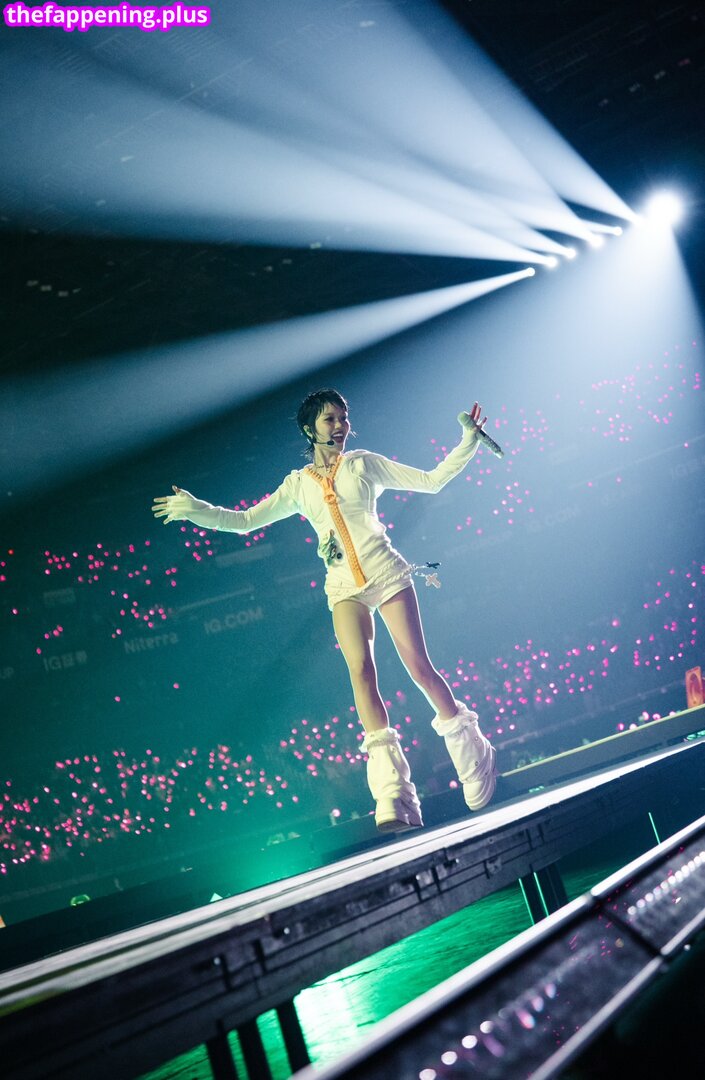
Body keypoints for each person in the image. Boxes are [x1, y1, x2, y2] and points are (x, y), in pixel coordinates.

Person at [152, 389, 496, 832]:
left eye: (343, 417)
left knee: (419, 668)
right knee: (361, 672)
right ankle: (393, 791)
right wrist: (198, 511)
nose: (339, 426)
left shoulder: (363, 464)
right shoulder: (297, 485)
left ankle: (475, 755)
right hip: (343, 587)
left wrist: (468, 441)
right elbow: (245, 521)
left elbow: (430, 481)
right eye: (329, 419)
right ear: (308, 429)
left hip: (387, 573)